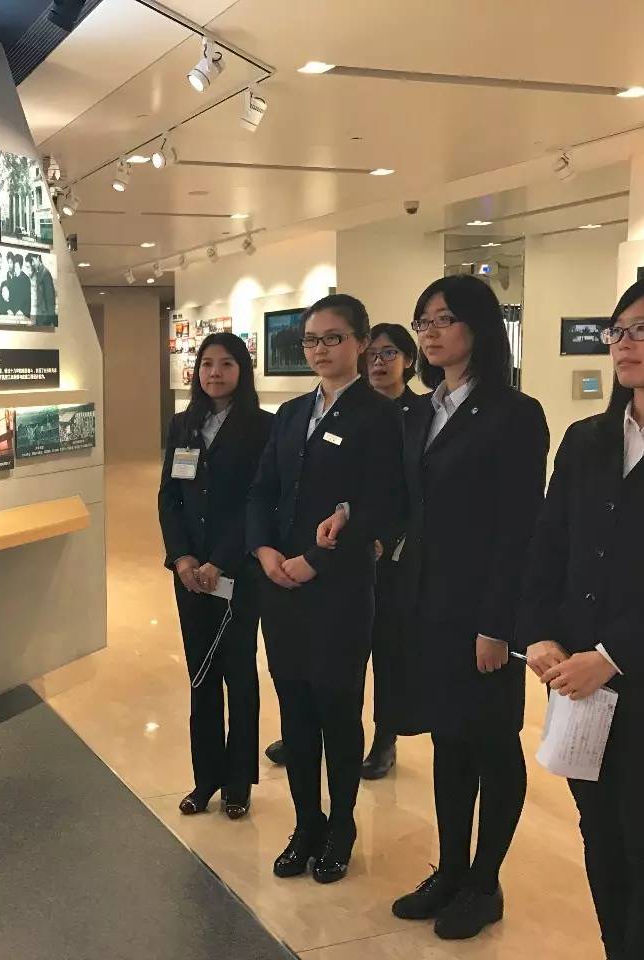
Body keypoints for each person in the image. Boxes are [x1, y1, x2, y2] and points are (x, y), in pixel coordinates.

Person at [517, 273, 644, 960]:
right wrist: (539, 633)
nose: (623, 344)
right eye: (618, 330)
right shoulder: (587, 439)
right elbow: (548, 547)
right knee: (600, 835)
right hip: (578, 682)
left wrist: (610, 656)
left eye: (643, 329)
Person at [379, 275, 548, 940]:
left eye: (444, 319)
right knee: (448, 739)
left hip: (483, 611)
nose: (430, 332)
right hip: (426, 605)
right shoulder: (420, 412)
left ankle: (485, 881)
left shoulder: (515, 413)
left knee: (492, 742)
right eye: (423, 320)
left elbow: (519, 528)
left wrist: (498, 626)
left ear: (478, 327)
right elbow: (407, 506)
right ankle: (450, 869)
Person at [246, 294, 405, 884]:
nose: (320, 349)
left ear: (360, 343)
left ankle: (341, 826)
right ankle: (305, 823)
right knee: (294, 710)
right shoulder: (290, 414)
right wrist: (264, 552)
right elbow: (261, 491)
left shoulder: (380, 416)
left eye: (333, 338)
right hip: (281, 588)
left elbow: (385, 503)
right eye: (311, 339)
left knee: (338, 710)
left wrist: (315, 561)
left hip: (338, 589)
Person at [159, 333, 273, 820]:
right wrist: (182, 558)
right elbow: (170, 496)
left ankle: (238, 783)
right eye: (207, 364)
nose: (215, 373)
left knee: (239, 674)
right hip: (189, 575)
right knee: (201, 674)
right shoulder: (183, 424)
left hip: (237, 572)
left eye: (226, 364)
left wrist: (219, 561)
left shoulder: (262, 427)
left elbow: (258, 501)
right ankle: (206, 778)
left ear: (242, 370)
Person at [361, 322, 431, 779]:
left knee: (387, 650)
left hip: (396, 555)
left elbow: (420, 491)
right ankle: (323, 729)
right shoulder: (351, 410)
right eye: (372, 354)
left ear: (408, 360)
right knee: (336, 649)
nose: (379, 363)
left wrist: (391, 538)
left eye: (389, 353)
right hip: (345, 548)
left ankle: (385, 738)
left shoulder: (423, 414)